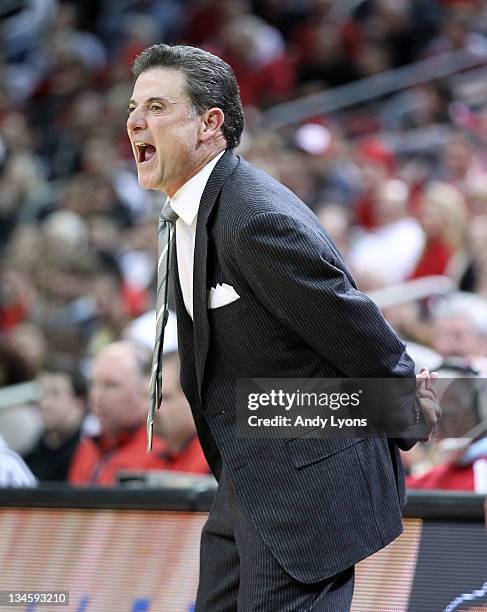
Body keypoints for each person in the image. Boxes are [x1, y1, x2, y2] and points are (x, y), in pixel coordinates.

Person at [127, 44, 439, 611]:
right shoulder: (186, 215)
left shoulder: (254, 220)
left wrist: (408, 412)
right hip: (250, 474)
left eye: (156, 106)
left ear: (209, 124)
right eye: (133, 107)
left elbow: (353, 325)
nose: (135, 122)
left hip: (307, 490)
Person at [68, 340, 167, 485]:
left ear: (145, 390)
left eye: (111, 385)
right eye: (93, 384)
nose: (97, 396)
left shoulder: (161, 453)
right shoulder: (88, 447)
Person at [24, 355, 88, 482]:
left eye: (55, 393)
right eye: (41, 393)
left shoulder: (90, 457)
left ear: (79, 403)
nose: (44, 403)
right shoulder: (30, 456)